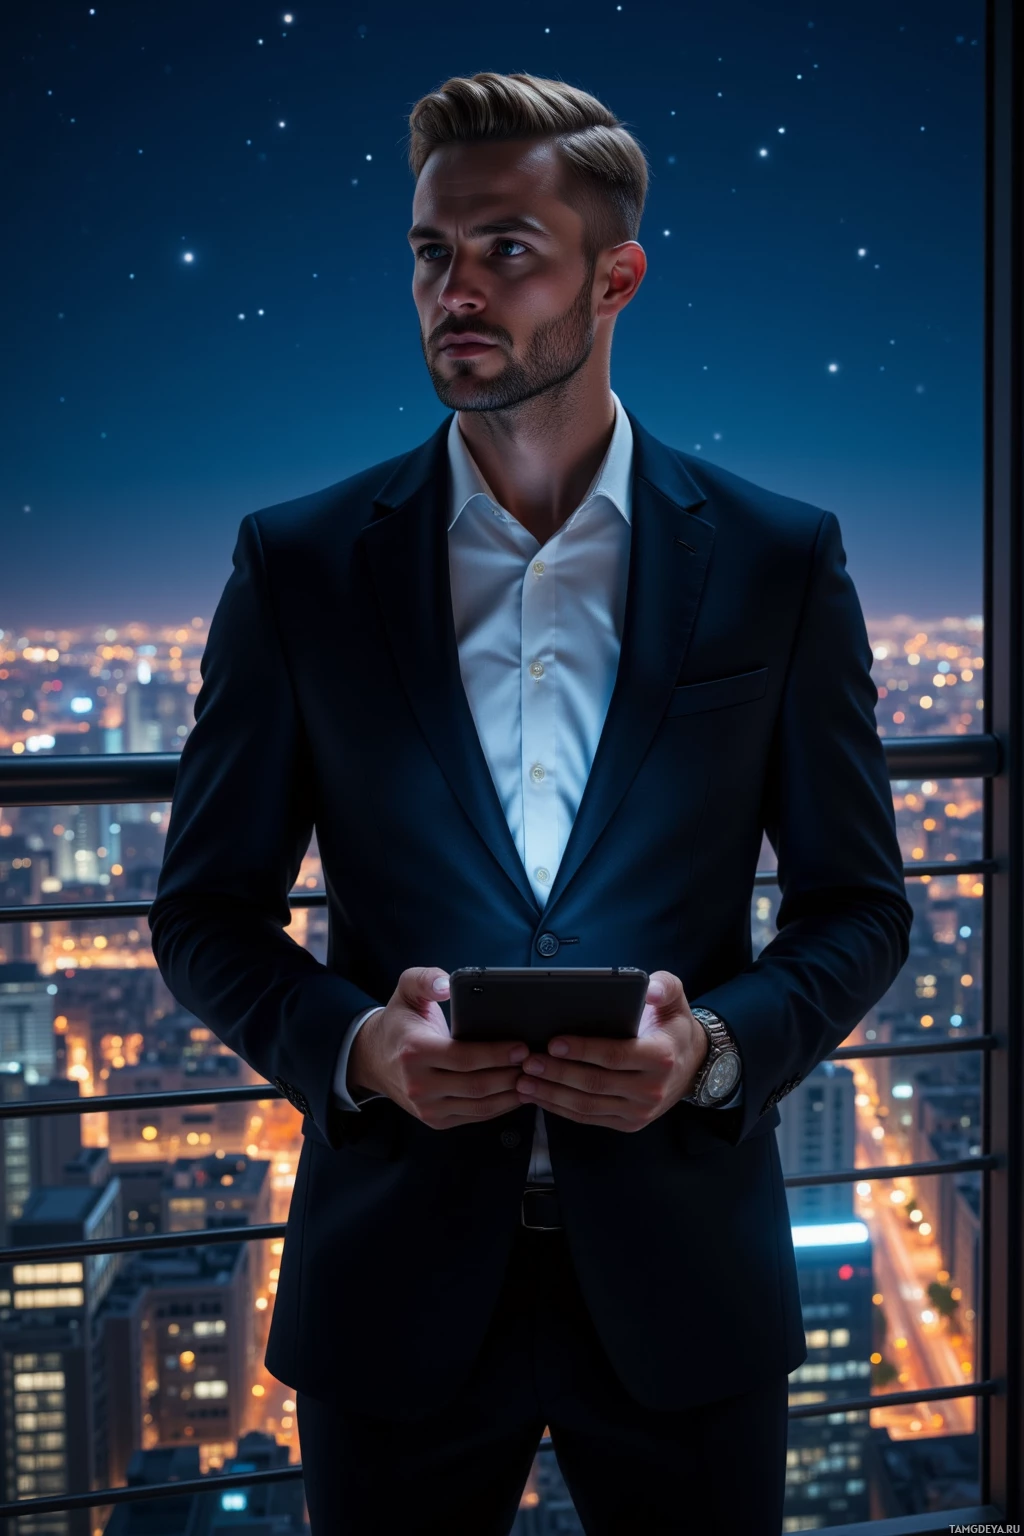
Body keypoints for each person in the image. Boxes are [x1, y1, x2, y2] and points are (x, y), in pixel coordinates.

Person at [148, 70, 913, 1536]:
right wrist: (361, 1048)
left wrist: (711, 1054)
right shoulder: (301, 567)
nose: (458, 289)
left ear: (616, 275)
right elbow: (204, 911)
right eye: (434, 252)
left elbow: (859, 905)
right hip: (393, 1280)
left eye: (509, 249)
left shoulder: (772, 559)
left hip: (685, 1278)